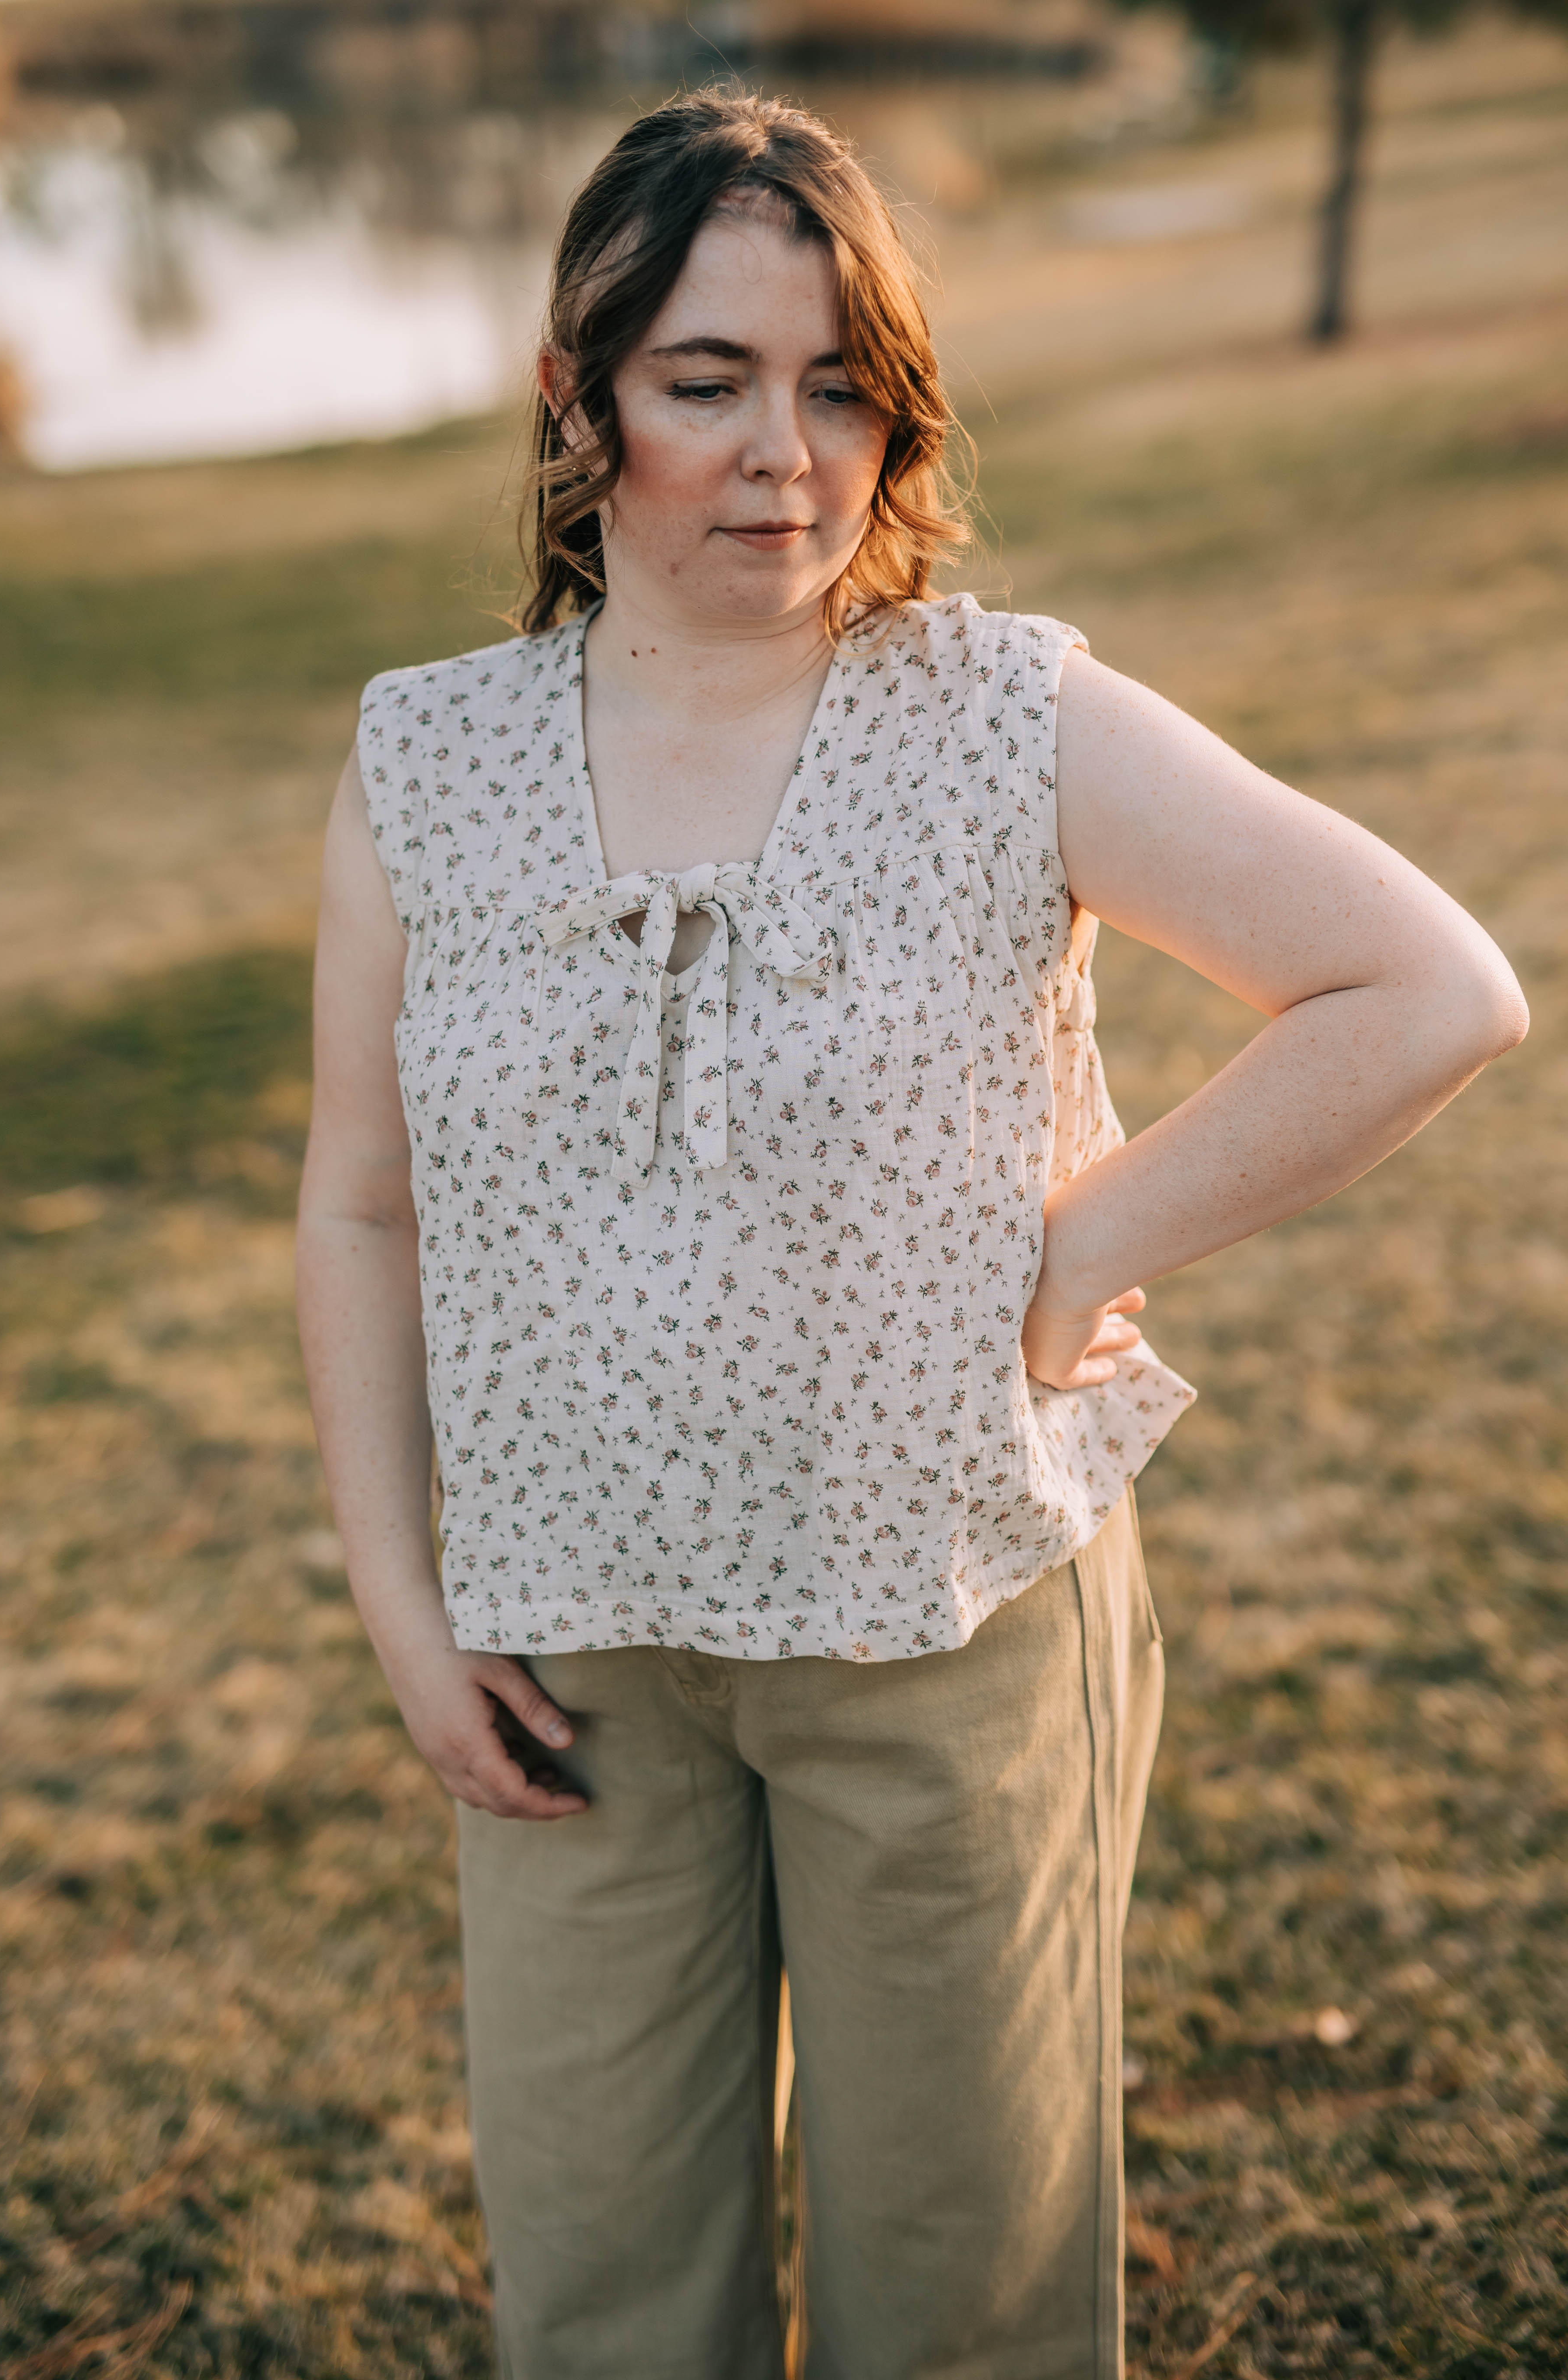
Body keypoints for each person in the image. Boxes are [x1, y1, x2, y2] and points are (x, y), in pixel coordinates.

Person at [295, 90, 1527, 2380]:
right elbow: (362, 1198)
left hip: (942, 1629)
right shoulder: (423, 764)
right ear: (577, 404)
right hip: (573, 1668)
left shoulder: (1004, 720)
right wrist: (401, 1593)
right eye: (708, 381)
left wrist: (1092, 1240)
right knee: (604, 2305)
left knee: (957, 2309)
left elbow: (1430, 987)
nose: (787, 452)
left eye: (840, 382)